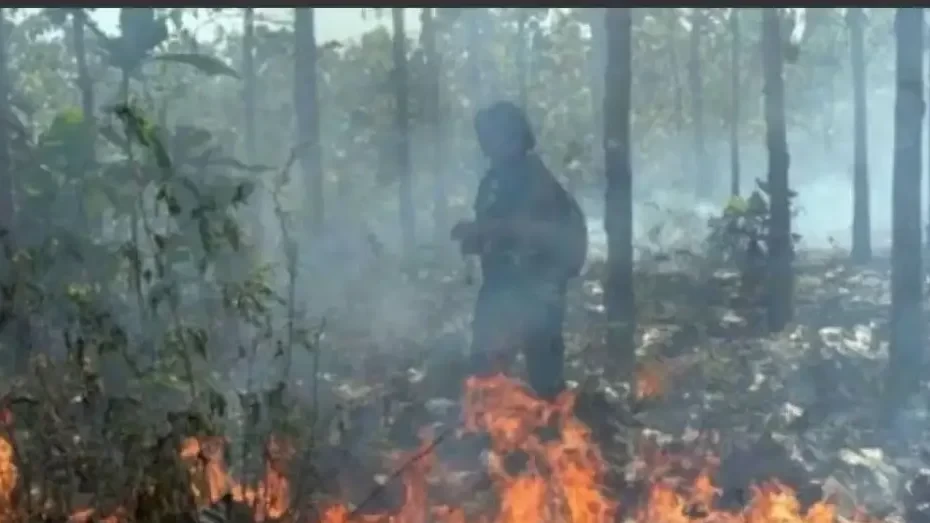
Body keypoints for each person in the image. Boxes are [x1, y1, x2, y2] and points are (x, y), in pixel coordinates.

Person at [451, 101, 588, 400]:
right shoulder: (493, 180)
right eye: (483, 135)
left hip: (538, 285)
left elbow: (536, 229)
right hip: (501, 284)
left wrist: (485, 230)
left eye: (492, 134)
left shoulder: (534, 178)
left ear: (515, 136)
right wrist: (476, 240)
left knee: (544, 370)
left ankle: (554, 433)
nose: (485, 142)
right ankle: (490, 432)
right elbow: (497, 231)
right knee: (486, 366)